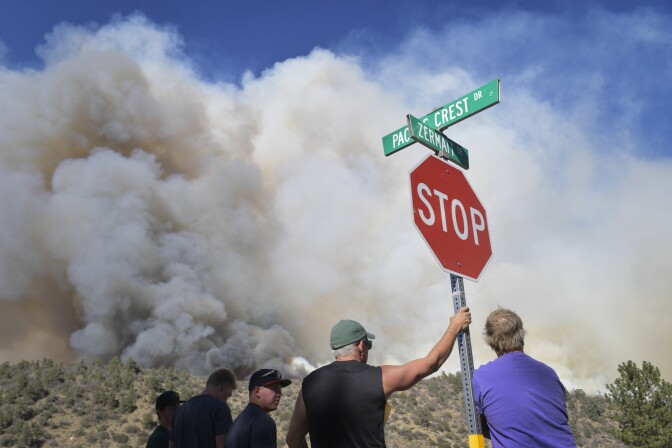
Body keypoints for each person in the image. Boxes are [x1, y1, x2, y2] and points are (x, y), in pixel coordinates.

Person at [286, 307, 471, 448]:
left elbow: (293, 438)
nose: (367, 349)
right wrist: (454, 327)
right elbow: (431, 363)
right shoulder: (379, 377)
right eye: (368, 344)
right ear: (360, 345)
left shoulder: (309, 384)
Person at [472, 307, 576, 448]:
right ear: (522, 336)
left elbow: (478, 424)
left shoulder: (481, 378)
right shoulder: (550, 374)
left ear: (491, 342)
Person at [169, 367, 237, 448]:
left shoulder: (180, 411)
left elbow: (171, 445)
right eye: (229, 395)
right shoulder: (220, 408)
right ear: (224, 387)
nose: (227, 399)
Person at [226, 368, 292, 448]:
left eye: (280, 389)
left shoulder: (241, 420)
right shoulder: (262, 422)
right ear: (257, 391)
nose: (280, 394)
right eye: (275, 388)